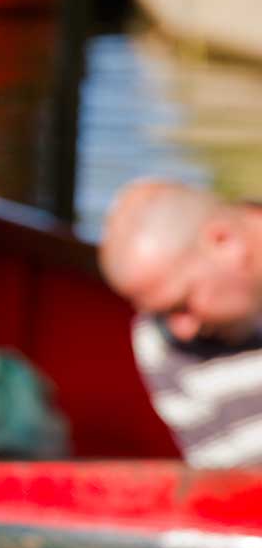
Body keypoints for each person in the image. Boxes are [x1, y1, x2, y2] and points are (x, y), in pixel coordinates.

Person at [100, 179, 262, 467]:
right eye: (163, 313)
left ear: (224, 241)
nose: (182, 329)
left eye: (183, 304)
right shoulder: (157, 338)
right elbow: (227, 476)